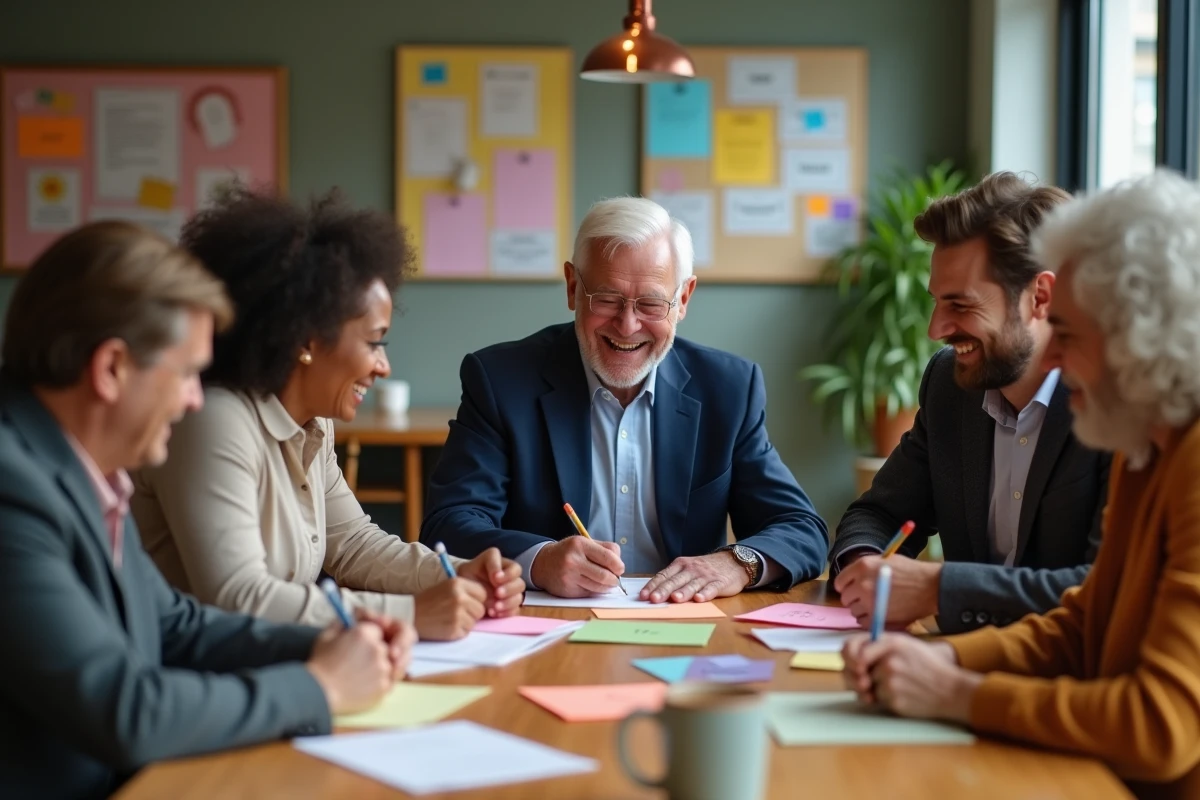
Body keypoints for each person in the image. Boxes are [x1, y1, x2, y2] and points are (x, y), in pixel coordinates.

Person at [0, 221, 412, 799]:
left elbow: (177, 625)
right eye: (189, 373)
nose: (196, 398)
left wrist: (326, 643)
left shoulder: (81, 473)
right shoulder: (13, 491)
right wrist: (319, 687)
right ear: (112, 368)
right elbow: (128, 711)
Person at [842, 170, 1200, 799]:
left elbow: (1161, 726)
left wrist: (958, 692)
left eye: (1068, 335)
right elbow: (1082, 623)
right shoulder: (1143, 445)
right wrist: (944, 660)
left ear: (1142, 339)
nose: (1052, 359)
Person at [130, 188, 523, 641]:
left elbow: (354, 544)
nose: (383, 366)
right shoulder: (215, 421)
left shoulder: (313, 422)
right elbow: (238, 598)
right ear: (307, 342)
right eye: (375, 342)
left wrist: (457, 574)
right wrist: (411, 613)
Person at [420, 196, 828, 601]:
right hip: (548, 619)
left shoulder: (728, 388)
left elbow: (800, 528)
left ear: (682, 300)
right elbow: (448, 524)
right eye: (607, 299)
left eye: (650, 303)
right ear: (573, 287)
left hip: (682, 624)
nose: (627, 325)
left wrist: (736, 562)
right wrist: (539, 560)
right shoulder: (501, 380)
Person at [828, 172, 1110, 633]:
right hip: (951, 665)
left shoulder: (1117, 407)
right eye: (936, 302)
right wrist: (868, 567)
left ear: (1041, 297)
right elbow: (879, 513)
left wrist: (937, 588)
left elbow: (1104, 588)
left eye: (960, 305)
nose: (935, 329)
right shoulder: (949, 385)